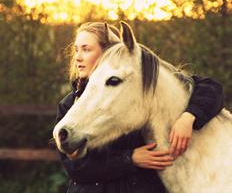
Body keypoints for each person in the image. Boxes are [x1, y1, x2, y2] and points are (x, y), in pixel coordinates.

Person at [56, 22, 224, 193]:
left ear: (108, 51)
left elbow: (210, 88)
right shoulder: (70, 104)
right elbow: (76, 168)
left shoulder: (134, 88)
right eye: (76, 49)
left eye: (86, 49)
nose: (77, 56)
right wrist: (130, 159)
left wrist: (189, 116)